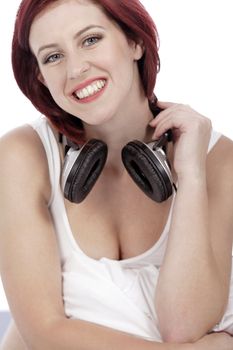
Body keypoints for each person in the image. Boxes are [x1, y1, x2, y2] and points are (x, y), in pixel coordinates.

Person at [0, 0, 233, 349]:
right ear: (40, 76)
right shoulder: (22, 155)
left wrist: (191, 176)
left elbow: (183, 326)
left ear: (134, 42)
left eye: (90, 39)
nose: (76, 69)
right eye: (52, 56)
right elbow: (44, 333)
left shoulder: (218, 160)